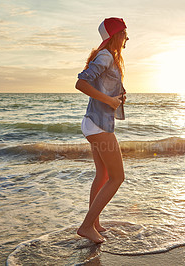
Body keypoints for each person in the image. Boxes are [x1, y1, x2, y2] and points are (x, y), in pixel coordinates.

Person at [75, 17, 129, 244]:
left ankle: (94, 223)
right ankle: (86, 226)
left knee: (103, 174)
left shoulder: (109, 57)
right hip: (98, 125)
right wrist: (109, 100)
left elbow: (100, 87)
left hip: (94, 123)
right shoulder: (105, 56)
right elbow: (81, 83)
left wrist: (116, 97)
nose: (127, 38)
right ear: (116, 35)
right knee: (117, 177)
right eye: (125, 33)